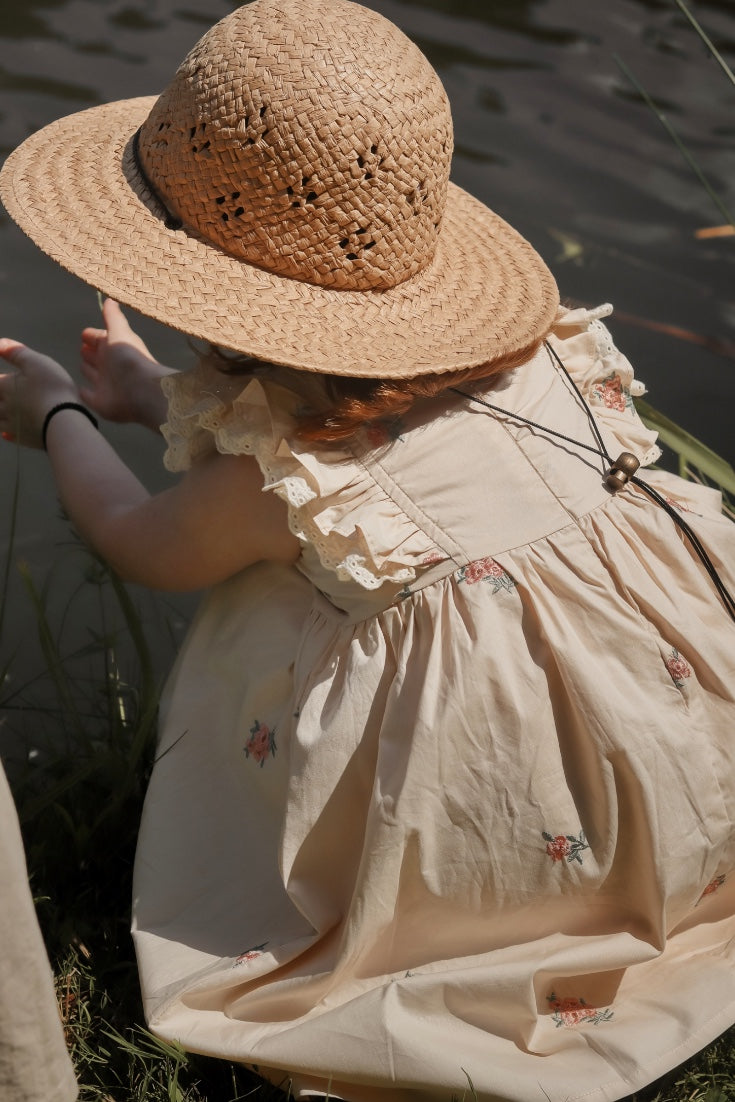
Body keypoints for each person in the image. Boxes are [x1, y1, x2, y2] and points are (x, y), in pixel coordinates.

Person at [1, 1, 734, 1099]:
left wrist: (57, 410)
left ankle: (462, 921)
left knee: (279, 614)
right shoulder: (548, 362)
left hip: (507, 795)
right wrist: (151, 396)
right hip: (681, 742)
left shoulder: (274, 475)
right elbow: (348, 463)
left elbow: (142, 540)